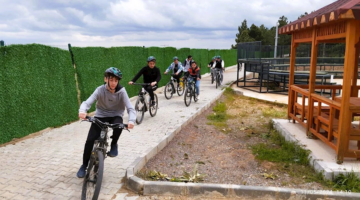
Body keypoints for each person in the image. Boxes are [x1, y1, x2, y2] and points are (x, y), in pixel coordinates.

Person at [77, 67, 136, 178]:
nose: (114, 83)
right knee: (90, 140)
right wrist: (82, 111)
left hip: (115, 115)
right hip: (101, 116)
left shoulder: (121, 91)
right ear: (106, 79)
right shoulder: (100, 90)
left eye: (116, 80)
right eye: (111, 80)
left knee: (119, 125)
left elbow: (130, 108)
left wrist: (131, 120)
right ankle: (84, 165)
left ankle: (114, 144)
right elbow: (87, 102)